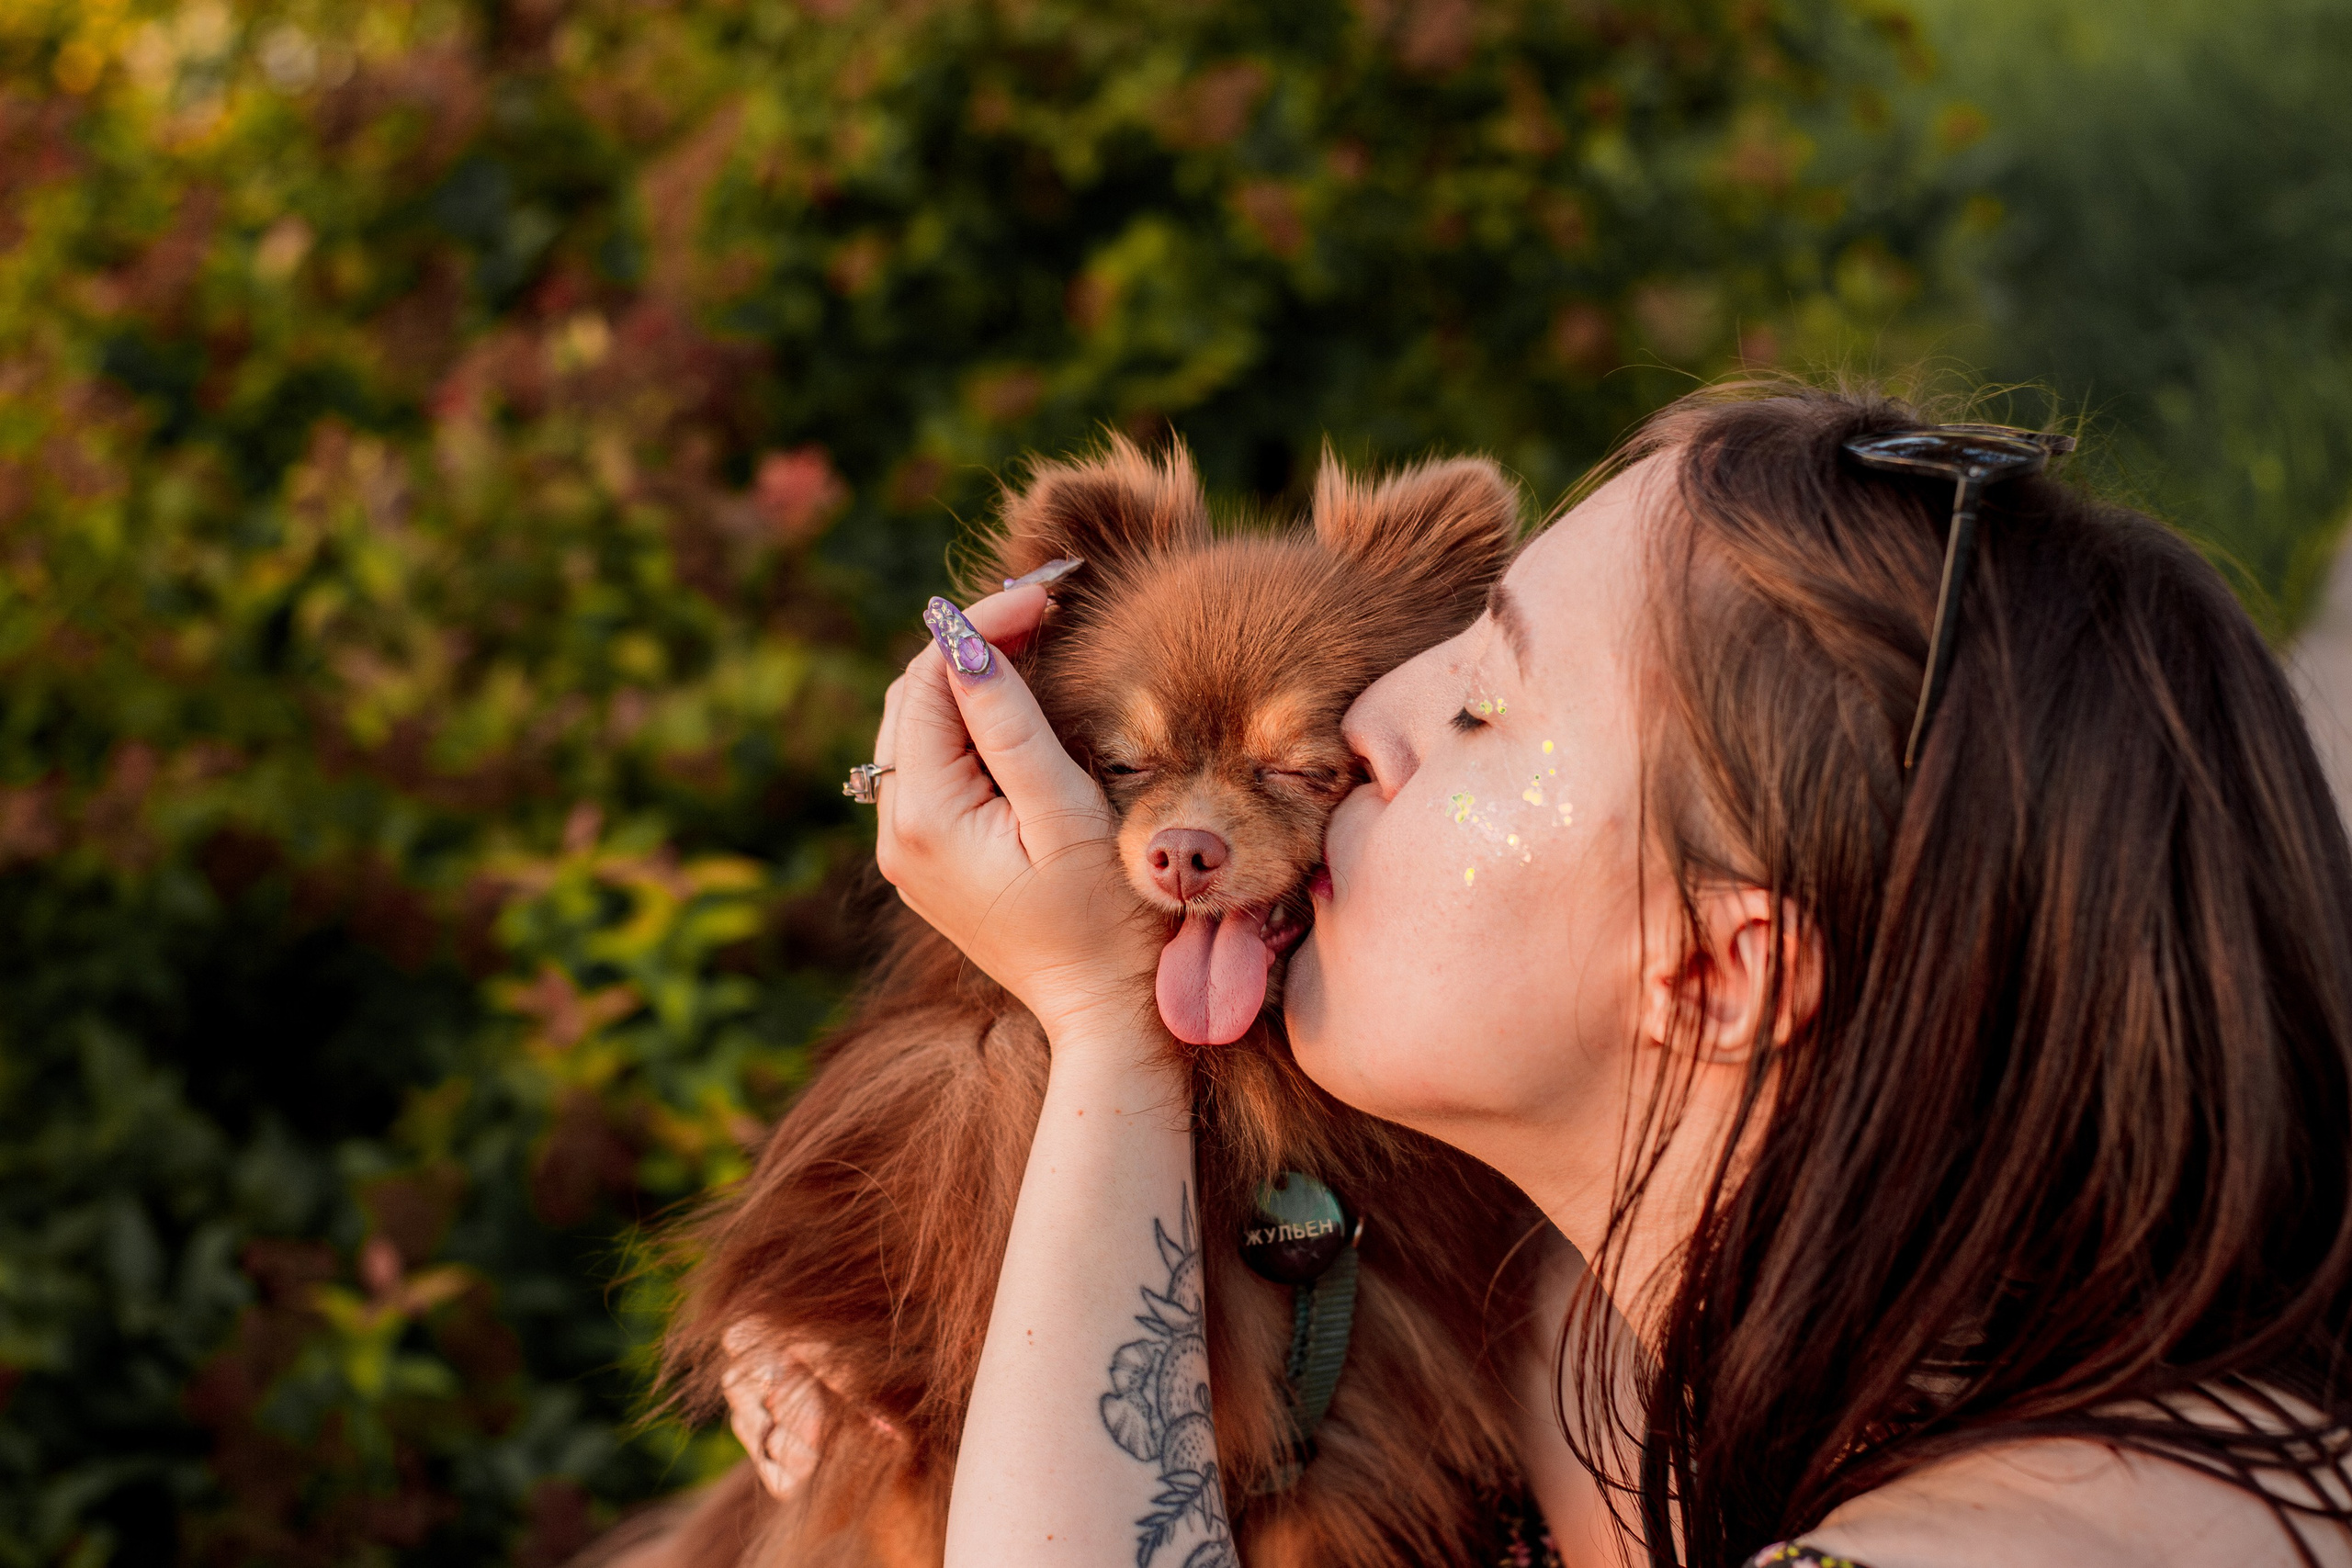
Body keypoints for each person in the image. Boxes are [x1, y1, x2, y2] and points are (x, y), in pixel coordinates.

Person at [865, 384, 2352, 1567]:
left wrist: (1105, 1034)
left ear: (1718, 967)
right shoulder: (1582, 1335)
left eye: (1481, 702)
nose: (1375, 719)